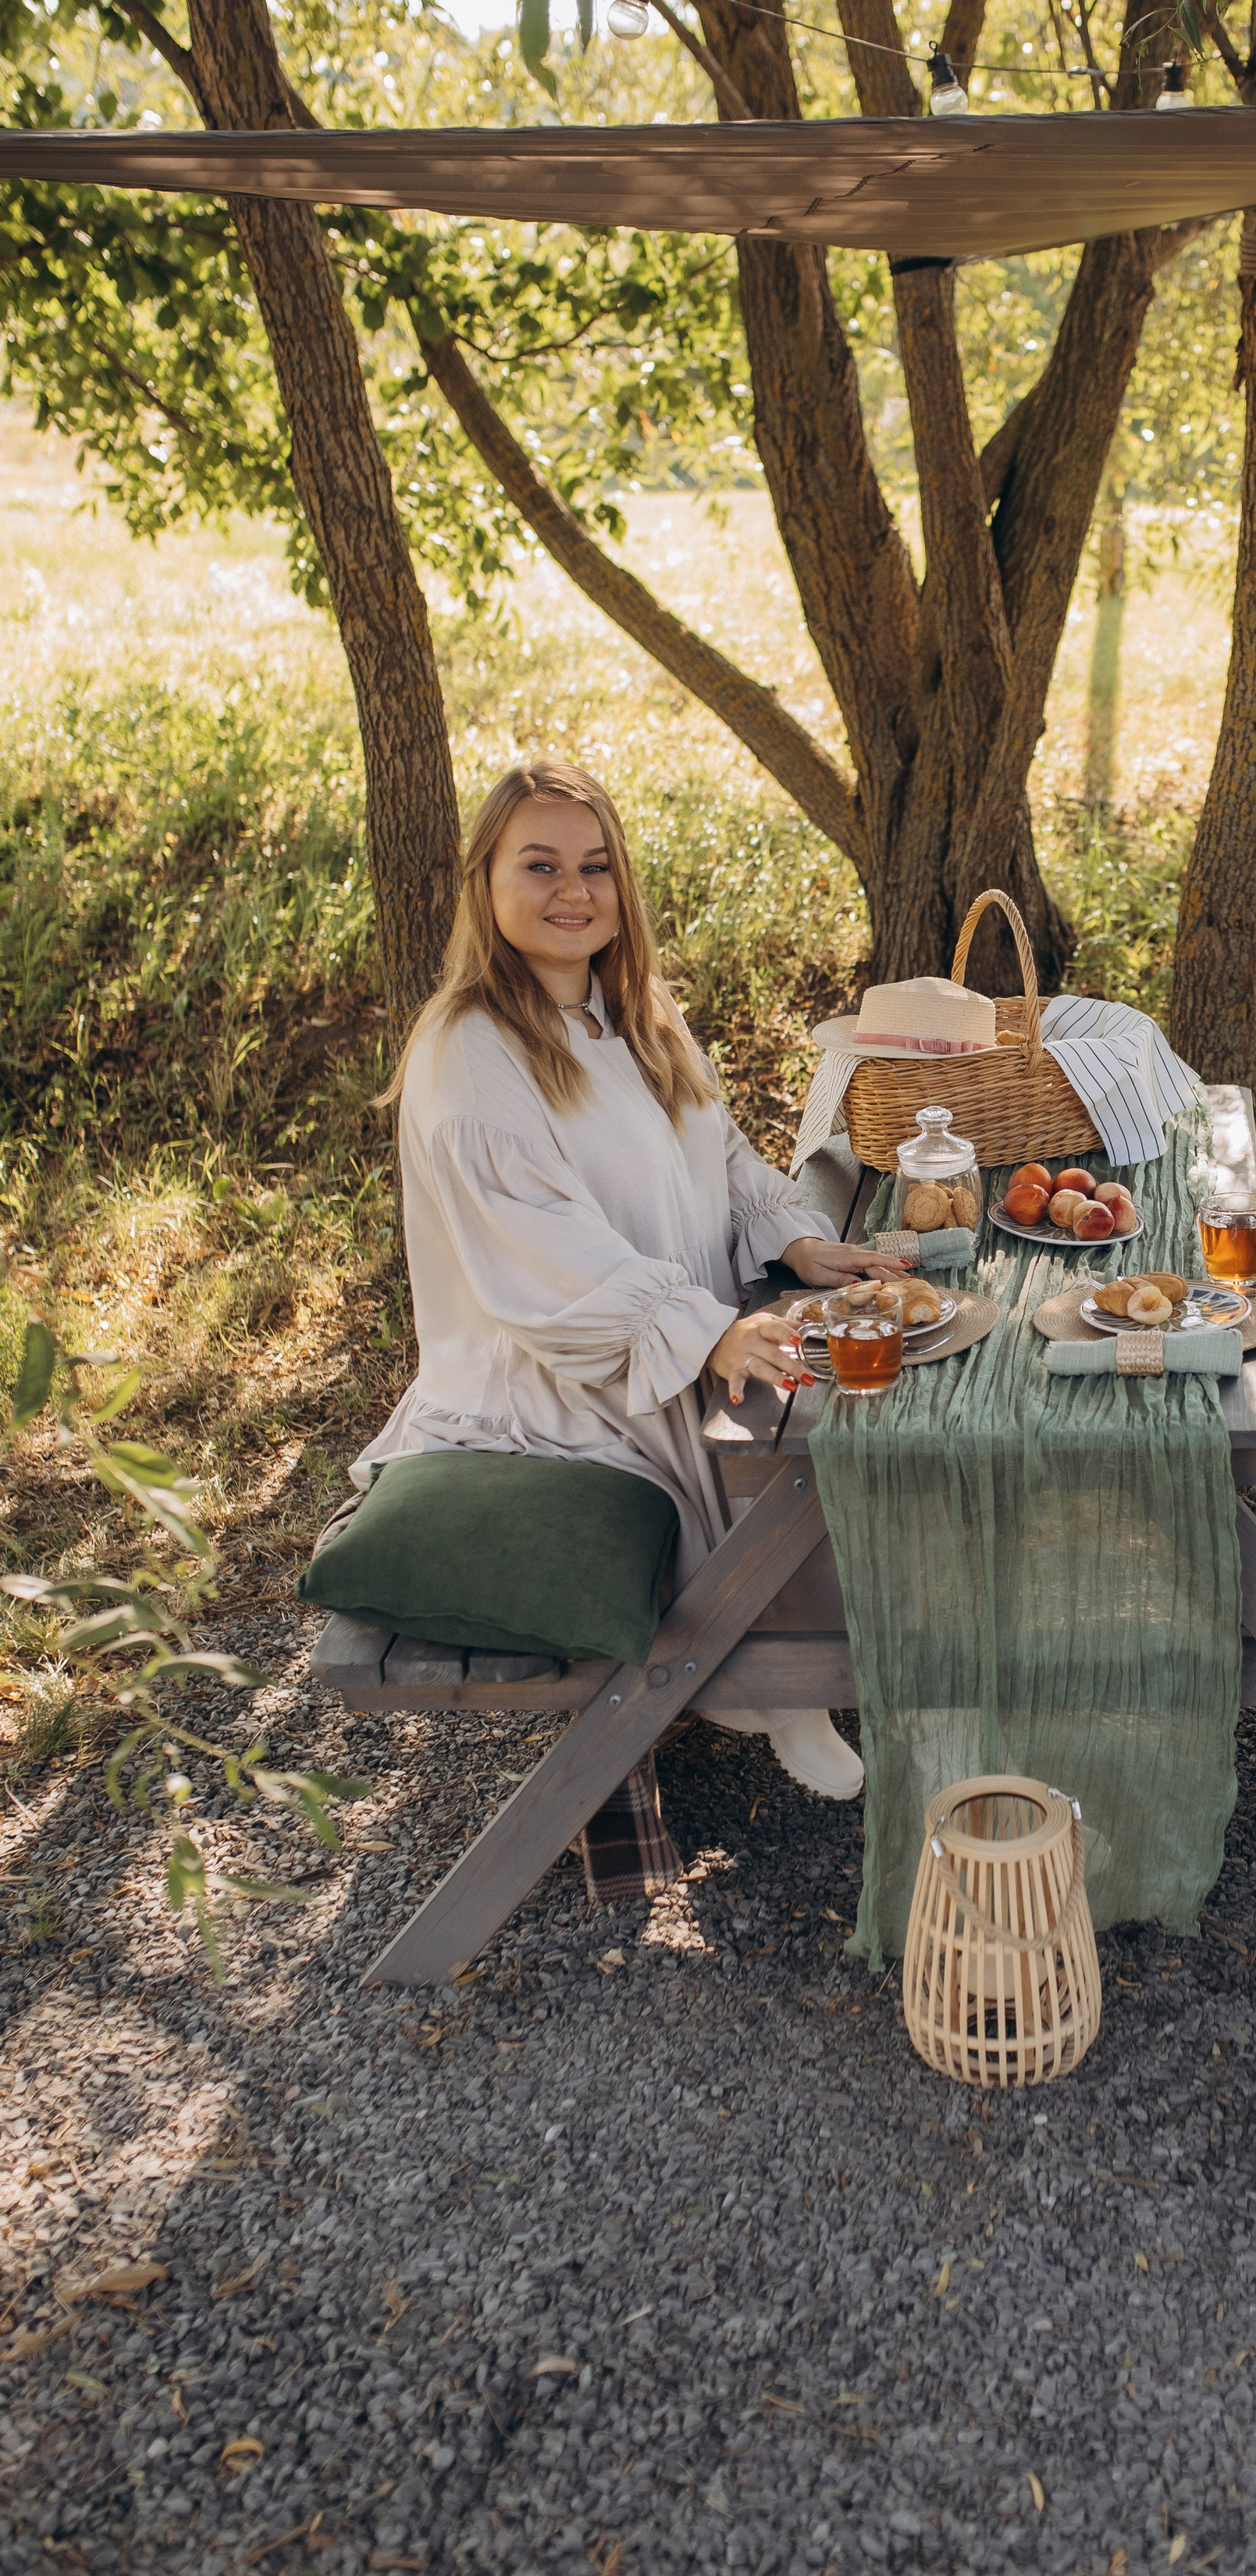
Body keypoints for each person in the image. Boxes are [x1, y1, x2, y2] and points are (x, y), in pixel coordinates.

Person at [359, 755, 903, 1839]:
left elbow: (725, 1153)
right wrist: (703, 1332)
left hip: (682, 1318)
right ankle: (779, 1680)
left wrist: (796, 1238)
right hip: (560, 1370)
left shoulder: (631, 1007)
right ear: (486, 882)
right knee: (795, 1426)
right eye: (542, 865)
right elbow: (540, 1252)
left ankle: (840, 1648)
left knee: (870, 1371)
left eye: (597, 866)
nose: (575, 891)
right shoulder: (469, 1052)